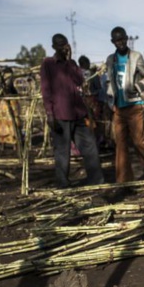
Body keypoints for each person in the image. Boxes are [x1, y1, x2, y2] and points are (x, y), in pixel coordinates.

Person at [40, 34, 104, 188]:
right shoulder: (48, 64)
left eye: (66, 44)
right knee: (62, 151)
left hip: (78, 113)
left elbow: (80, 81)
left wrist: (69, 60)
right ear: (54, 47)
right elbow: (46, 90)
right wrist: (49, 113)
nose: (64, 47)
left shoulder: (72, 64)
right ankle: (63, 183)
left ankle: (96, 179)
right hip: (60, 114)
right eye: (60, 45)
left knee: (89, 146)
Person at [105, 26, 144, 183]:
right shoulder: (110, 60)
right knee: (120, 145)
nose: (121, 42)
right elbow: (109, 81)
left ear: (127, 38)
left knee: (139, 142)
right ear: (113, 42)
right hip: (118, 108)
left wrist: (136, 87)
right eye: (117, 40)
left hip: (134, 106)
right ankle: (124, 182)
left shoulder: (135, 57)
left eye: (123, 39)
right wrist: (110, 100)